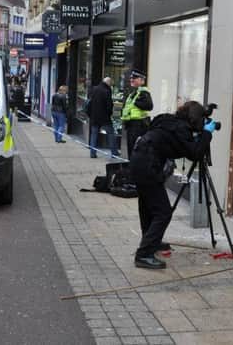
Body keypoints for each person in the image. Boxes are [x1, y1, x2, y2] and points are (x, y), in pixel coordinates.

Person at [129, 101, 217, 269]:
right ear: (195, 119)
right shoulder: (181, 130)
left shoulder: (169, 122)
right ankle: (144, 254)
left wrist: (197, 136)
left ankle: (150, 242)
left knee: (148, 207)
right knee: (163, 213)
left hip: (139, 160)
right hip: (148, 166)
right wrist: (206, 134)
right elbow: (194, 153)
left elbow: (180, 144)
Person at [121, 69, 153, 158]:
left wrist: (136, 103)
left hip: (138, 126)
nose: (132, 79)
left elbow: (149, 106)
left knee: (135, 150)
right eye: (131, 78)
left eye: (134, 78)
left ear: (141, 80)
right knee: (131, 150)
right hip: (131, 126)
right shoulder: (134, 93)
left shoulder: (143, 93)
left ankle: (134, 168)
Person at [88, 77, 118, 158]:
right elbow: (109, 105)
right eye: (111, 84)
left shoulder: (94, 89)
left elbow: (89, 103)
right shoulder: (107, 91)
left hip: (94, 117)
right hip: (105, 118)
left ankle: (92, 153)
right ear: (108, 82)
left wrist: (90, 114)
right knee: (111, 134)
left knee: (94, 135)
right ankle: (114, 152)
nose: (111, 85)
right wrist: (109, 114)